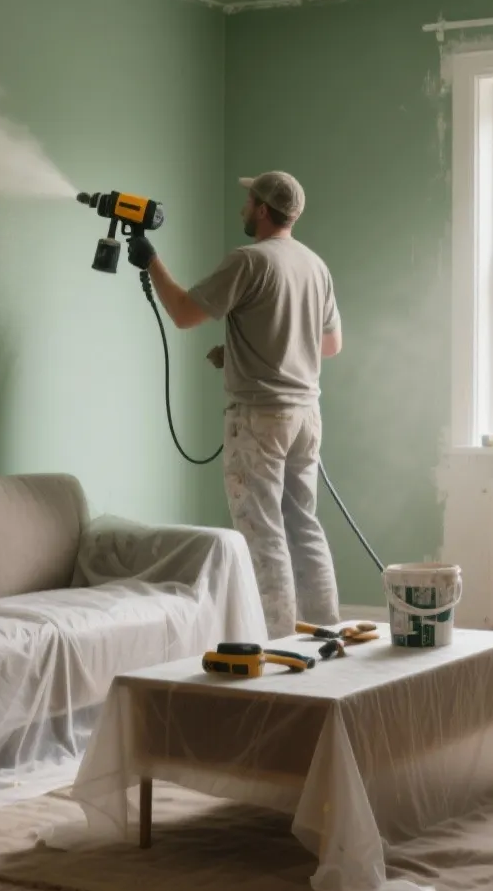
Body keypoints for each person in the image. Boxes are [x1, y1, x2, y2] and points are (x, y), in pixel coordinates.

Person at [132, 171, 343, 639]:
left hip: (259, 418)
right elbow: (329, 345)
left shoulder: (249, 261)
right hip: (306, 416)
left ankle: (277, 643)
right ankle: (326, 630)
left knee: (263, 532)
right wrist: (242, 352)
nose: (243, 209)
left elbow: (186, 314)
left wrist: (151, 261)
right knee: (302, 525)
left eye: (249, 202)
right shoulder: (314, 265)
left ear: (263, 210)